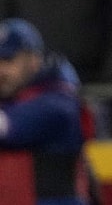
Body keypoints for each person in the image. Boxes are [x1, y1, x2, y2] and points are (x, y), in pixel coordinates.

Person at [0, 18, 93, 205]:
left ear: (34, 60)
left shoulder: (58, 103)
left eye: (8, 60)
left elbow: (8, 126)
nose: (1, 70)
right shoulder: (12, 97)